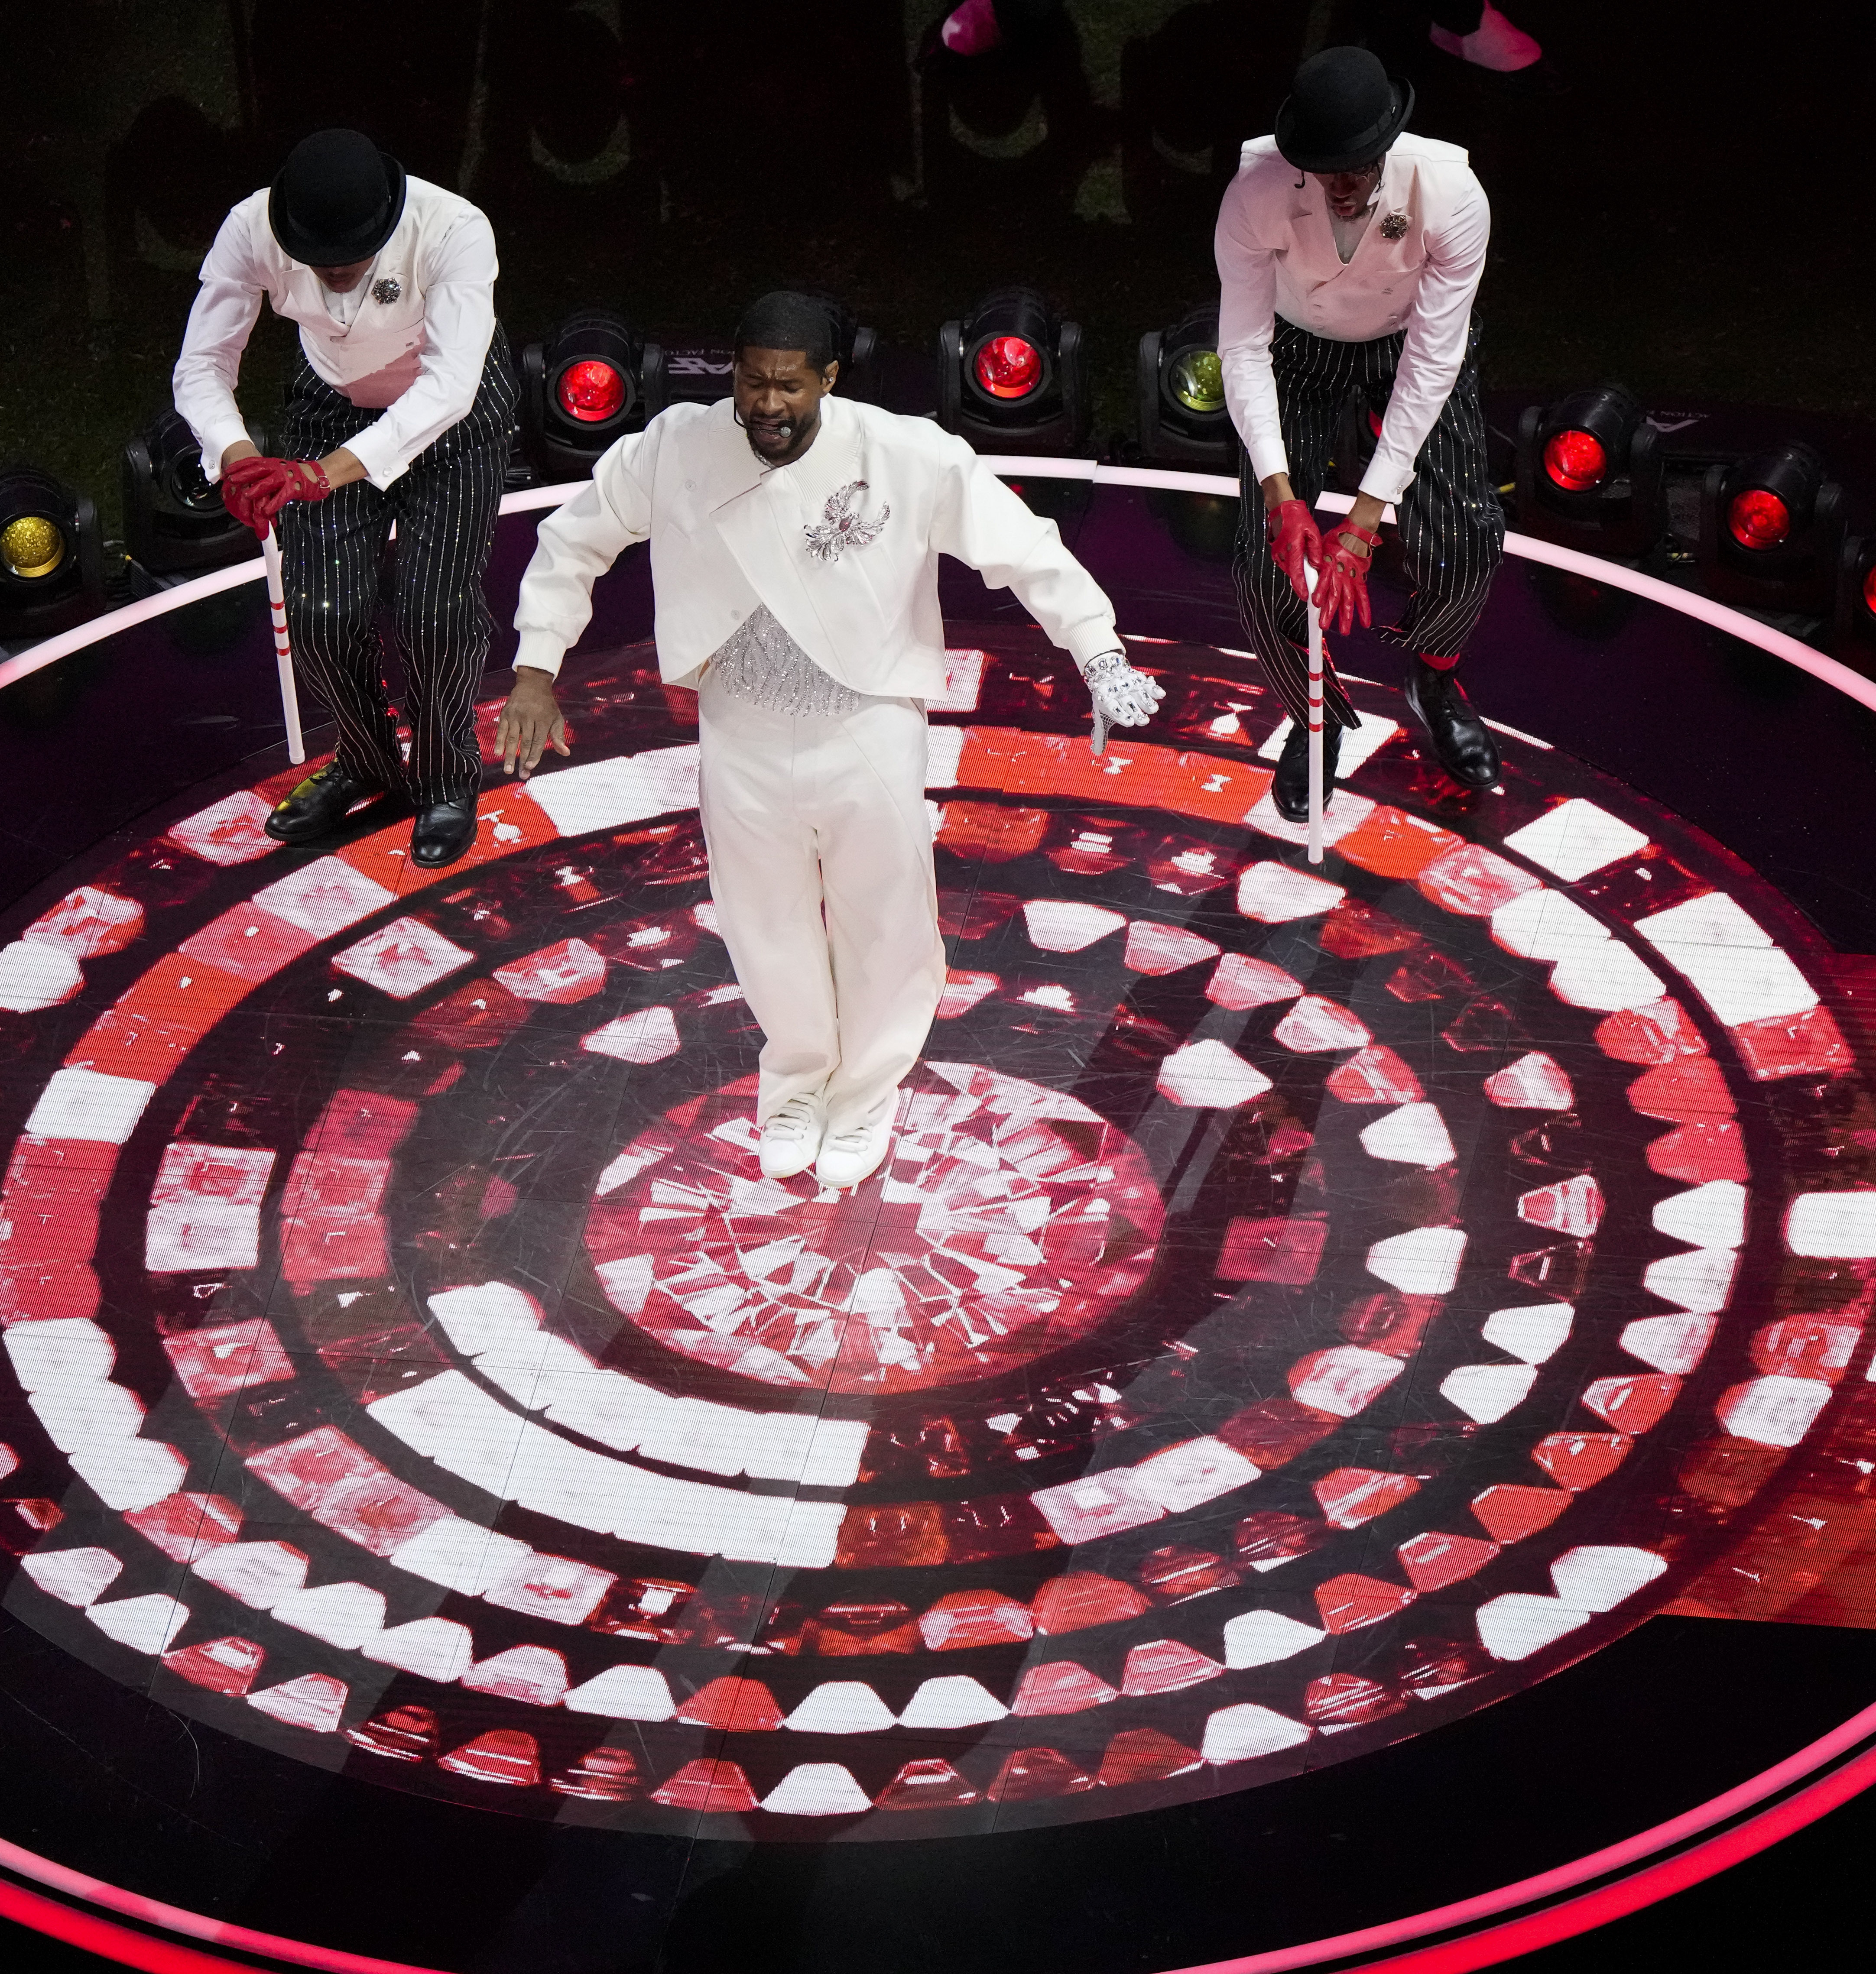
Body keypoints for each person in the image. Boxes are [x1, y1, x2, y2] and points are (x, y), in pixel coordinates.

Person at [499, 292, 1161, 1190]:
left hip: (868, 723)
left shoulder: (903, 453)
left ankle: (867, 1091)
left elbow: (1025, 547)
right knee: (761, 920)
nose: (767, 404)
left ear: (830, 379)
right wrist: (537, 668)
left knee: (884, 920)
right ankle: (797, 1082)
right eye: (751, 382)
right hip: (741, 726)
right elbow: (571, 542)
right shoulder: (673, 448)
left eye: (789, 385)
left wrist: (1099, 648)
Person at [171, 127, 517, 869]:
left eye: (351, 260)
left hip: (449, 420)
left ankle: (445, 776)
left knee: (433, 614)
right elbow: (202, 363)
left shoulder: (456, 229)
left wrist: (322, 474)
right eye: (317, 261)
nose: (333, 274)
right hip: (330, 404)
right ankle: (366, 761)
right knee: (321, 616)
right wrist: (237, 459)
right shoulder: (249, 228)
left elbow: (450, 387)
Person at [1215, 46, 1506, 821]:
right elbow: (1242, 348)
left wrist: (1369, 516)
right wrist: (1281, 496)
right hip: (1295, 347)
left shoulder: (1452, 195)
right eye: (1325, 166)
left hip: (1405, 346)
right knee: (1260, 563)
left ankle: (1435, 678)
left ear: (1387, 146)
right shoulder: (1255, 193)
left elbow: (1436, 358)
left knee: (1466, 535)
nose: (1344, 185)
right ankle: (1316, 713)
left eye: (1360, 165)